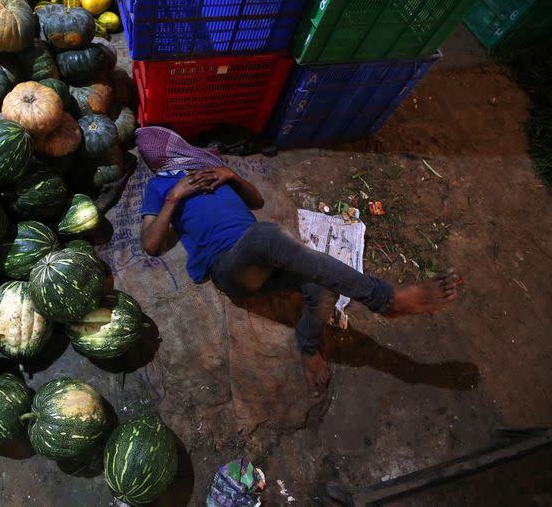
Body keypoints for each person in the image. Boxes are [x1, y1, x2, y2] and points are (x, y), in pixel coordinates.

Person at [137, 127, 461, 396]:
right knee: (266, 236)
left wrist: (231, 176)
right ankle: (386, 300)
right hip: (230, 266)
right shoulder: (160, 186)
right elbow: (151, 244)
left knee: (323, 287)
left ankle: (308, 346)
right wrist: (174, 196)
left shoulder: (207, 168)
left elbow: (257, 200)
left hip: (266, 257)